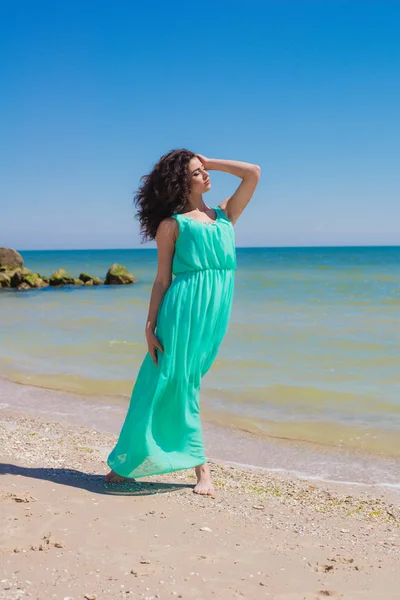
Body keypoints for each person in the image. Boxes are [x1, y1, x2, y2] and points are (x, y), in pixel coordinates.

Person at [105, 149, 260, 496]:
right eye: (196, 173)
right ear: (181, 183)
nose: (205, 175)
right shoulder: (172, 225)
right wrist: (149, 327)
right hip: (182, 310)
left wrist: (209, 161)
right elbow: (162, 281)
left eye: (203, 170)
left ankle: (125, 465)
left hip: (214, 312)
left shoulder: (224, 216)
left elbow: (253, 172)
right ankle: (201, 470)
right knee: (178, 382)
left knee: (174, 381)